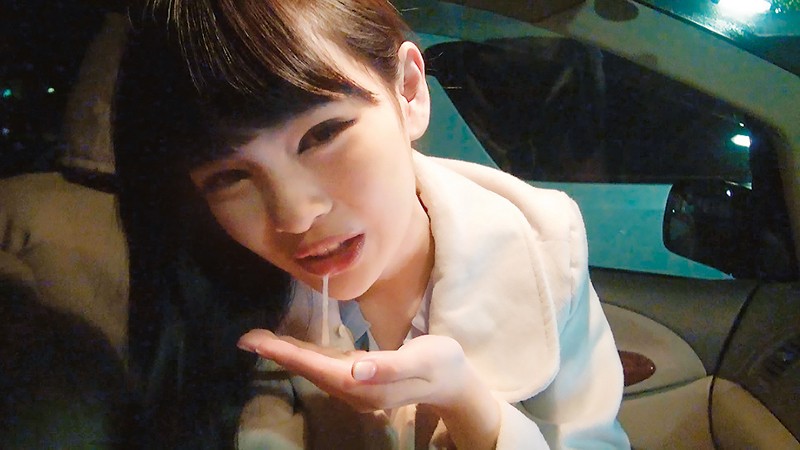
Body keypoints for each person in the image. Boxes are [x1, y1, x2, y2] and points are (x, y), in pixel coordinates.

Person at [113, 1, 630, 448]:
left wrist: (467, 405)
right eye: (230, 177)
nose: (295, 215)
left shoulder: (539, 248)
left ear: (409, 92)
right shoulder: (209, 298)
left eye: (322, 135)